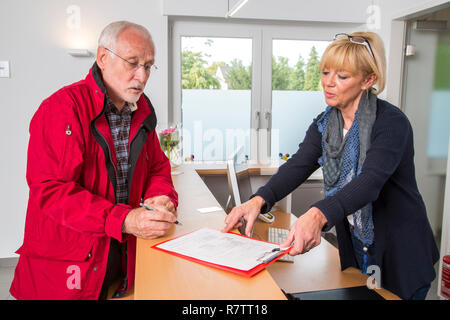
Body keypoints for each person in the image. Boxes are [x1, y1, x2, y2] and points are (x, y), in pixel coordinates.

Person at [223, 32, 440, 300]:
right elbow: (298, 166)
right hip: (359, 247)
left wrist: (317, 214)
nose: (329, 83)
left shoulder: (391, 123)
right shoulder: (325, 124)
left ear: (368, 80)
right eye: (326, 73)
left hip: (400, 251)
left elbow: (369, 182)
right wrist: (258, 200)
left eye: (342, 76)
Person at [10, 21, 178, 300]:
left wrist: (159, 195)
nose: (142, 75)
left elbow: (157, 166)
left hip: (118, 259)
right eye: (132, 63)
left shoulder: (141, 110)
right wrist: (123, 219)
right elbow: (51, 191)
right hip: (66, 270)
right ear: (103, 57)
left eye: (148, 66)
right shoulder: (62, 108)